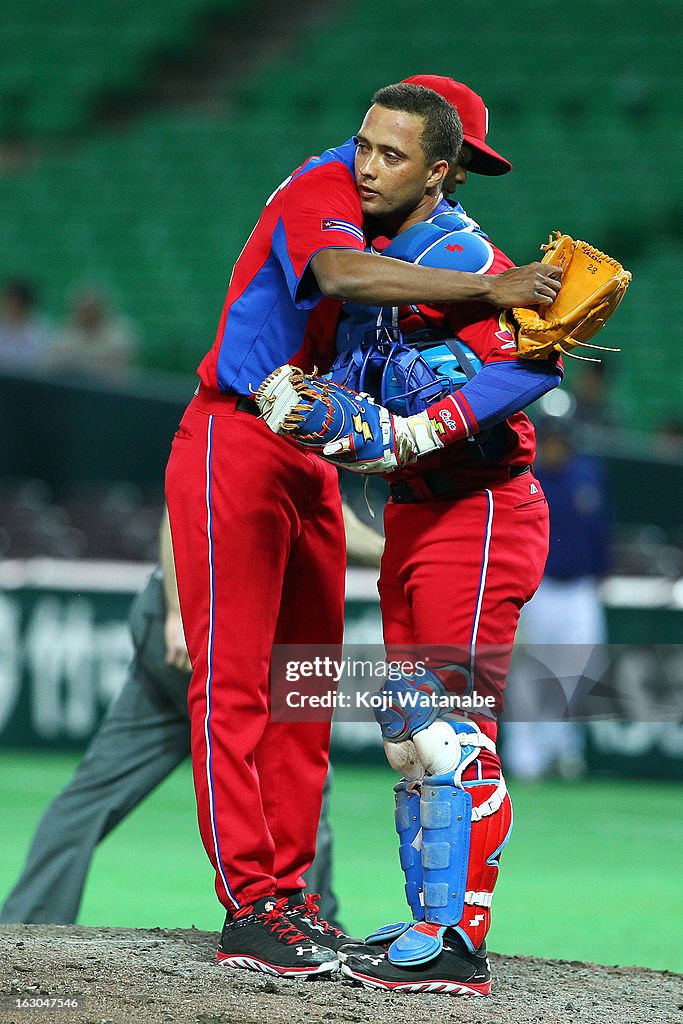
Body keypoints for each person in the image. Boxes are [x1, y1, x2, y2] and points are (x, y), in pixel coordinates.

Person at [164, 80, 562, 979]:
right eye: (366, 145)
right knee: (237, 682)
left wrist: (446, 380)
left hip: (317, 457)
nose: (368, 164)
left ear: (439, 169)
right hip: (236, 433)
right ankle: (253, 904)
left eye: (393, 154)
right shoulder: (325, 189)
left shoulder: (414, 243)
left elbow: (525, 359)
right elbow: (336, 278)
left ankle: (297, 897)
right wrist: (490, 289)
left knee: (303, 690)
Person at [0, 506, 365, 926]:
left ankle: (27, 925)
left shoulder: (313, 461)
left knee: (95, 792)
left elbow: (340, 522)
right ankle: (309, 923)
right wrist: (178, 611)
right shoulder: (271, 443)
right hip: (197, 629)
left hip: (187, 627)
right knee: (294, 780)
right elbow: (182, 509)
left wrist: (396, 551)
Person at [503, 411, 612, 781]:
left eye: (559, 440)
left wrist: (602, 575)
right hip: (538, 589)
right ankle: (524, 758)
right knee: (527, 674)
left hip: (580, 589)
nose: (554, 446)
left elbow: (601, 534)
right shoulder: (525, 478)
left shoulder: (587, 476)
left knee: (580, 672)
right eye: (548, 439)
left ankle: (562, 749)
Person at [45, 287, 138, 384]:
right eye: (84, 309)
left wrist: (78, 360)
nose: (89, 314)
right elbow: (50, 365)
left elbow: (118, 367)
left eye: (92, 309)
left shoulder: (120, 332)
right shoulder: (64, 333)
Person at [0, 278, 52, 371]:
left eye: (17, 302)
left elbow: (40, 362)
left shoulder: (40, 328)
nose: (13, 306)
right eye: (10, 301)